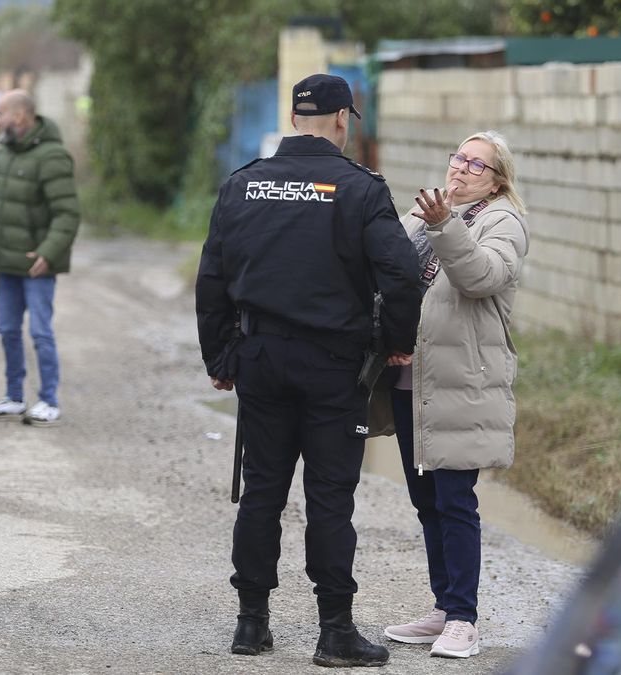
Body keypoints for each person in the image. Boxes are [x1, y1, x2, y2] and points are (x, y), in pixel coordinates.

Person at [196, 73, 423, 668]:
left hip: (261, 360)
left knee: (262, 492)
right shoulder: (359, 189)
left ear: (295, 118)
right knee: (330, 500)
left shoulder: (242, 185)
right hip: (333, 367)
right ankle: (334, 631)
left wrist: (221, 358)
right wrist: (398, 343)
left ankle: (251, 624)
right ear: (344, 119)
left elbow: (213, 277)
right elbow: (399, 275)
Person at [372, 131, 530, 659]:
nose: (461, 169)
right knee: (425, 500)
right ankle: (443, 606)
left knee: (455, 499)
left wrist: (445, 226)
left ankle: (464, 617)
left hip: (461, 381)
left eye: (477, 165)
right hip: (408, 378)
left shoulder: (501, 221)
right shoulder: (423, 215)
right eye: (458, 157)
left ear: (497, 180)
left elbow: (480, 276)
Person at [0, 90, 79, 427]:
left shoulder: (52, 156)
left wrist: (48, 253)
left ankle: (48, 399)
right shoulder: (6, 153)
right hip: (9, 262)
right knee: (7, 329)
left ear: (19, 117)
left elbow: (68, 214)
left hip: (36, 265)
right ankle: (15, 396)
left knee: (41, 332)